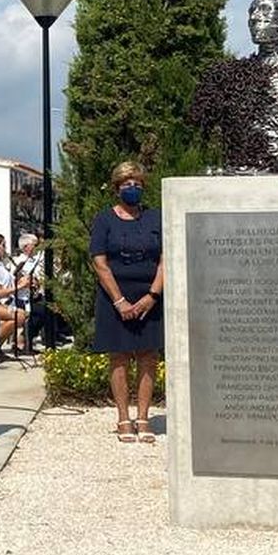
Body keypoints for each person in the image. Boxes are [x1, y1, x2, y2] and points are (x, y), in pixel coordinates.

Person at [89, 160, 165, 443]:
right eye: (126, 184)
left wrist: (152, 295)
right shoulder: (104, 219)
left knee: (148, 355)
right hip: (114, 298)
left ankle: (144, 417)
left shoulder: (155, 217)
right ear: (116, 188)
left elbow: (165, 259)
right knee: (119, 357)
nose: (132, 189)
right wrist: (119, 300)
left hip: (150, 296)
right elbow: (99, 262)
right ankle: (123, 418)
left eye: (137, 184)